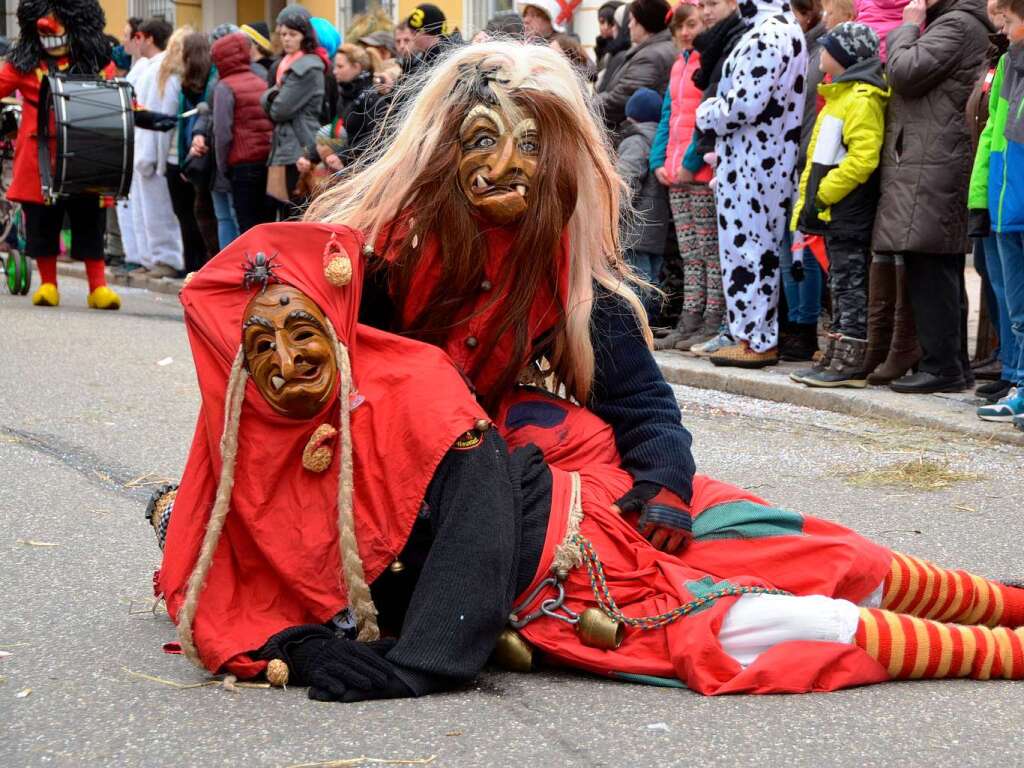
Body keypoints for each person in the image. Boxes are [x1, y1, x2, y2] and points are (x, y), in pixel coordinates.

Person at [155, 221, 1024, 700]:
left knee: (844, 561)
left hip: (586, 503)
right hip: (547, 569)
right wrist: (299, 645)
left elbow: (640, 407)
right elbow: (206, 571)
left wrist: (429, 653)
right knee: (782, 629)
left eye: (302, 335)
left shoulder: (553, 300)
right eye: (258, 344)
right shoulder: (252, 420)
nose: (281, 363)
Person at [308, 42, 698, 523]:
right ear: (446, 148)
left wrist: (665, 479)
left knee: (585, 445)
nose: (505, 165)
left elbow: (637, 395)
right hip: (372, 444)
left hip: (476, 445)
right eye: (483, 140)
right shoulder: (386, 249)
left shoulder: (561, 272)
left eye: (531, 146)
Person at [871, 0, 992, 394]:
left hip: (934, 157)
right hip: (935, 154)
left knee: (930, 264)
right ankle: (951, 365)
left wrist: (907, 26)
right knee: (937, 264)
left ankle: (943, 367)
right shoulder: (960, 21)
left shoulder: (955, 25)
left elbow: (903, 73)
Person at [695, 0, 807, 368]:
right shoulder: (784, 28)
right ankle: (753, 336)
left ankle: (754, 339)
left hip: (753, 163)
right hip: (763, 159)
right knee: (757, 250)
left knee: (746, 250)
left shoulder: (766, 34)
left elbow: (742, 106)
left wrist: (706, 112)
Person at [0, 0, 120, 308]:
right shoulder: (23, 66)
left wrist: (145, 116)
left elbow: (119, 101)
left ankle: (99, 287)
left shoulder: (99, 64)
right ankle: (48, 285)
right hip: (39, 160)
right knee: (43, 224)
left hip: (85, 156)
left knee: (90, 222)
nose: (48, 26)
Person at [790, 22, 889, 388]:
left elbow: (862, 158)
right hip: (832, 210)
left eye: (827, 48)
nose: (821, 55)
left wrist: (825, 192)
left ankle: (851, 358)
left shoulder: (862, 98)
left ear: (844, 56)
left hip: (848, 209)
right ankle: (835, 351)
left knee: (850, 286)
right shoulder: (839, 96)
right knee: (841, 284)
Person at [650, 2, 722, 353]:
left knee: (710, 252)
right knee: (690, 252)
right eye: (681, 26)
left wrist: (691, 163)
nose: (686, 32)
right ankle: (689, 318)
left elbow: (703, 121)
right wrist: (657, 159)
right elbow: (670, 115)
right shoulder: (679, 64)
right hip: (675, 171)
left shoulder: (707, 62)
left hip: (699, 171)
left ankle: (712, 318)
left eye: (691, 24)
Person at [682, 0, 750, 358]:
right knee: (717, 250)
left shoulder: (739, 38)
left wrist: (695, 154)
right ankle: (722, 324)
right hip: (712, 151)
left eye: (713, 4)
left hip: (722, 156)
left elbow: (725, 103)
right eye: (702, 5)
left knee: (727, 252)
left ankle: (731, 326)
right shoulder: (715, 44)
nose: (706, 12)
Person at [973, 0, 1024, 428]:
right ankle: (1020, 383)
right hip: (1005, 203)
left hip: (1016, 202)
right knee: (1016, 306)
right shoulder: (1008, 63)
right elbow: (993, 137)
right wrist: (981, 199)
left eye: (1007, 20)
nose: (1001, 28)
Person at [967, 0, 1013, 404]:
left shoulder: (1010, 63)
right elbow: (987, 132)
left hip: (1006, 183)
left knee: (1009, 286)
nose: (996, 21)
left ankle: (1014, 369)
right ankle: (1009, 364)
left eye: (1004, 15)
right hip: (993, 181)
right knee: (994, 275)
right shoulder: (1000, 59)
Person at [778, 0, 827, 364]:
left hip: (808, 159)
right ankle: (794, 323)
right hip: (789, 159)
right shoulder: (801, 48)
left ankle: (806, 325)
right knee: (786, 247)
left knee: (804, 249)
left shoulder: (820, 49)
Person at [262, 6, 327, 217]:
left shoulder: (307, 67)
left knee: (296, 212)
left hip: (300, 145)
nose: (286, 39)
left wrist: (272, 95)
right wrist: (274, 95)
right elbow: (268, 103)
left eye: (292, 34)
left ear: (304, 36)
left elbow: (279, 110)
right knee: (282, 209)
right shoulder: (283, 64)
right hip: (283, 147)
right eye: (283, 34)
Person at [211, 32, 275, 235]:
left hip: (242, 166)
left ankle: (251, 268)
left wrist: (223, 167)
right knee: (266, 226)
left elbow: (222, 133)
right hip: (267, 162)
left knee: (247, 230)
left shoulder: (224, 87)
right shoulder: (261, 79)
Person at [164, 30, 214, 274]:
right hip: (184, 157)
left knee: (200, 214)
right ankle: (190, 265)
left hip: (201, 156)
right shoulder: (186, 84)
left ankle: (199, 266)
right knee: (185, 214)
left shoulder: (211, 82)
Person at [616, 88, 671, 292]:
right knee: (651, 283)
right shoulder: (663, 142)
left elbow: (625, 180)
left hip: (633, 230)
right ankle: (651, 322)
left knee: (634, 285)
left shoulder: (636, 141)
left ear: (632, 115)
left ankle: (637, 323)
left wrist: (612, 213)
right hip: (656, 230)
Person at [595, 0, 676, 135]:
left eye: (633, 20)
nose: (629, 25)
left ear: (645, 23)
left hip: (636, 134)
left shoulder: (651, 56)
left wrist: (585, 107)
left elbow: (622, 98)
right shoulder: (653, 50)